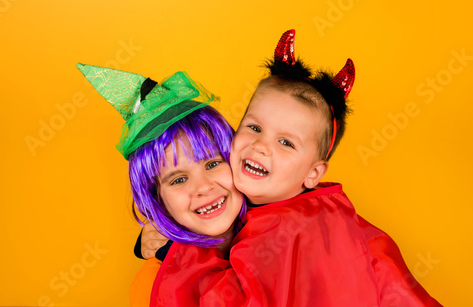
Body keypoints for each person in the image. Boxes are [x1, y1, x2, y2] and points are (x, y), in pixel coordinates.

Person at [148, 30, 442, 306]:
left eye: (286, 143)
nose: (262, 146)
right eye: (254, 127)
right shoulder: (318, 210)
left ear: (313, 174)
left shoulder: (290, 230)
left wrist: (178, 250)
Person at [76, 63, 245, 306]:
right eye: (178, 179)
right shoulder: (154, 284)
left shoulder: (282, 219)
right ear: (158, 201)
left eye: (212, 164)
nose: (203, 187)